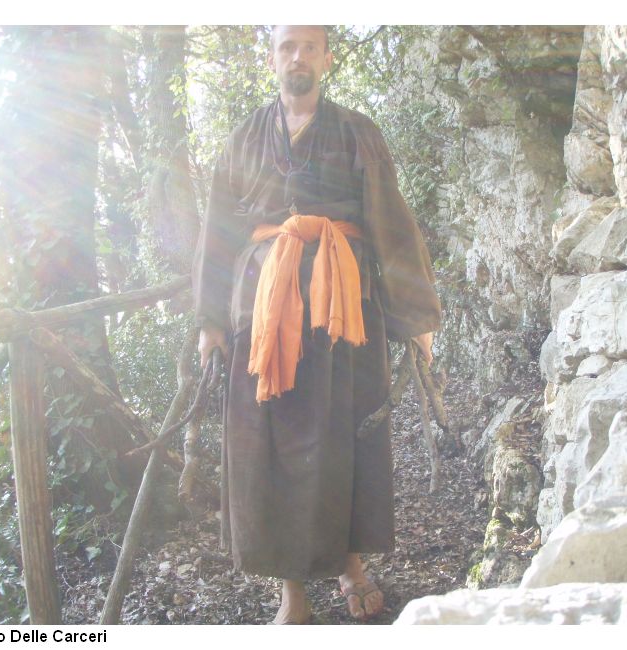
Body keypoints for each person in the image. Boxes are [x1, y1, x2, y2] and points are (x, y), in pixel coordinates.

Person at [192, 25, 441, 624]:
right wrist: (209, 321)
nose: (296, 56)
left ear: (327, 58)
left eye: (308, 46)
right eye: (286, 46)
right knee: (272, 446)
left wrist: (415, 317)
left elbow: (391, 221)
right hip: (262, 319)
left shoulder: (358, 132)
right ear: (272, 57)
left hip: (343, 316)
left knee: (345, 433)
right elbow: (218, 233)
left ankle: (351, 564)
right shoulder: (244, 138)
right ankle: (292, 592)